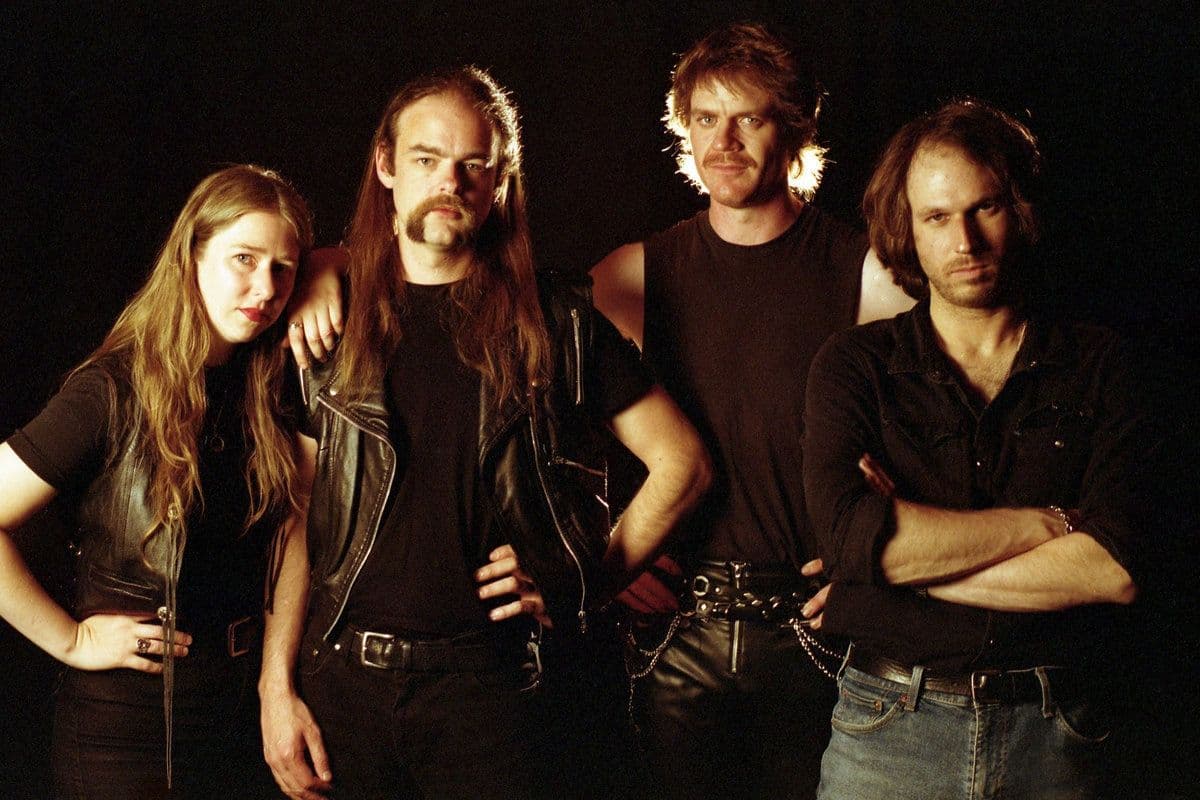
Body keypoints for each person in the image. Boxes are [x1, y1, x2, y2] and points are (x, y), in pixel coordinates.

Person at [260, 65, 711, 800]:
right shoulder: (327, 328)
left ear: (501, 181)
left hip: (494, 693)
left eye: (475, 165)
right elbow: (297, 521)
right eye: (427, 160)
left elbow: (684, 465)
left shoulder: (558, 323)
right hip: (342, 685)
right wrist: (274, 690)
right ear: (385, 165)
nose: (452, 182)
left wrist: (580, 580)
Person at [588, 21, 913, 800]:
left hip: (814, 632)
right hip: (671, 632)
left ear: (794, 129)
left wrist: (879, 564)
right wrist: (603, 557)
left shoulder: (867, 272)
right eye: (705, 118)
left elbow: (930, 449)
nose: (724, 141)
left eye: (750, 119)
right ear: (684, 129)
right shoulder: (631, 276)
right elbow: (543, 435)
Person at [802, 98, 1147, 799]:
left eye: (984, 208)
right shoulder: (853, 367)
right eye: (935, 217)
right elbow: (851, 545)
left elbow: (1113, 569)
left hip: (1059, 734)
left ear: (1017, 211)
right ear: (907, 230)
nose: (964, 240)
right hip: (888, 731)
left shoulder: (1103, 363)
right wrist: (1048, 523)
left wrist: (898, 567)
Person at [0, 164, 313, 798]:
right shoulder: (111, 391)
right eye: (243, 259)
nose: (265, 287)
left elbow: (296, 531)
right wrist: (73, 640)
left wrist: (273, 683)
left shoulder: (270, 390)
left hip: (237, 718)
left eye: (284, 268)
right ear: (191, 257)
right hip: (124, 732)